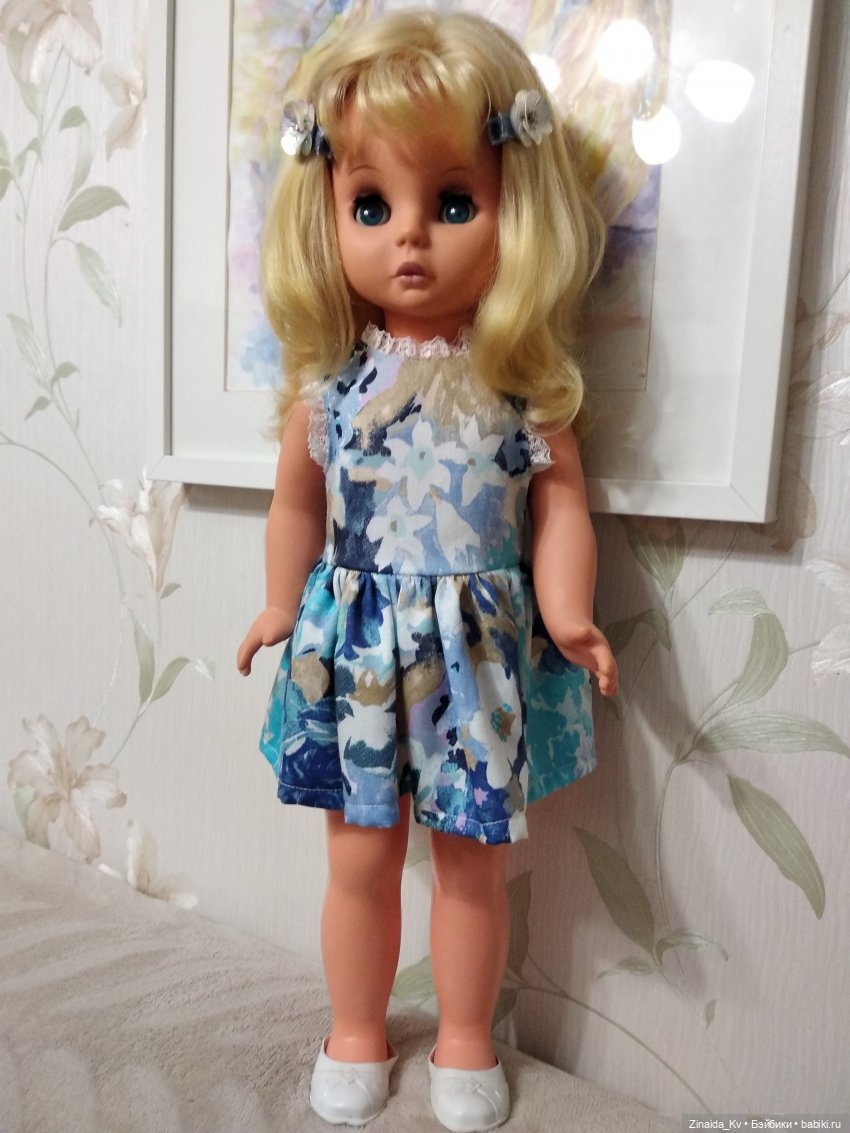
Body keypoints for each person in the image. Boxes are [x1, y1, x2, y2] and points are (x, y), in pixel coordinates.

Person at [237, 10, 618, 1131]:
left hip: (473, 654)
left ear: (515, 210)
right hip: (354, 645)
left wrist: (569, 611)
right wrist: (277, 602)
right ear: (328, 210)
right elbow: (295, 502)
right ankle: (355, 1028)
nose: (409, 236)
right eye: (371, 205)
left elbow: (560, 503)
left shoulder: (519, 387)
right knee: (358, 858)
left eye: (452, 202)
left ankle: (463, 1040)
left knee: (469, 862)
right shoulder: (331, 386)